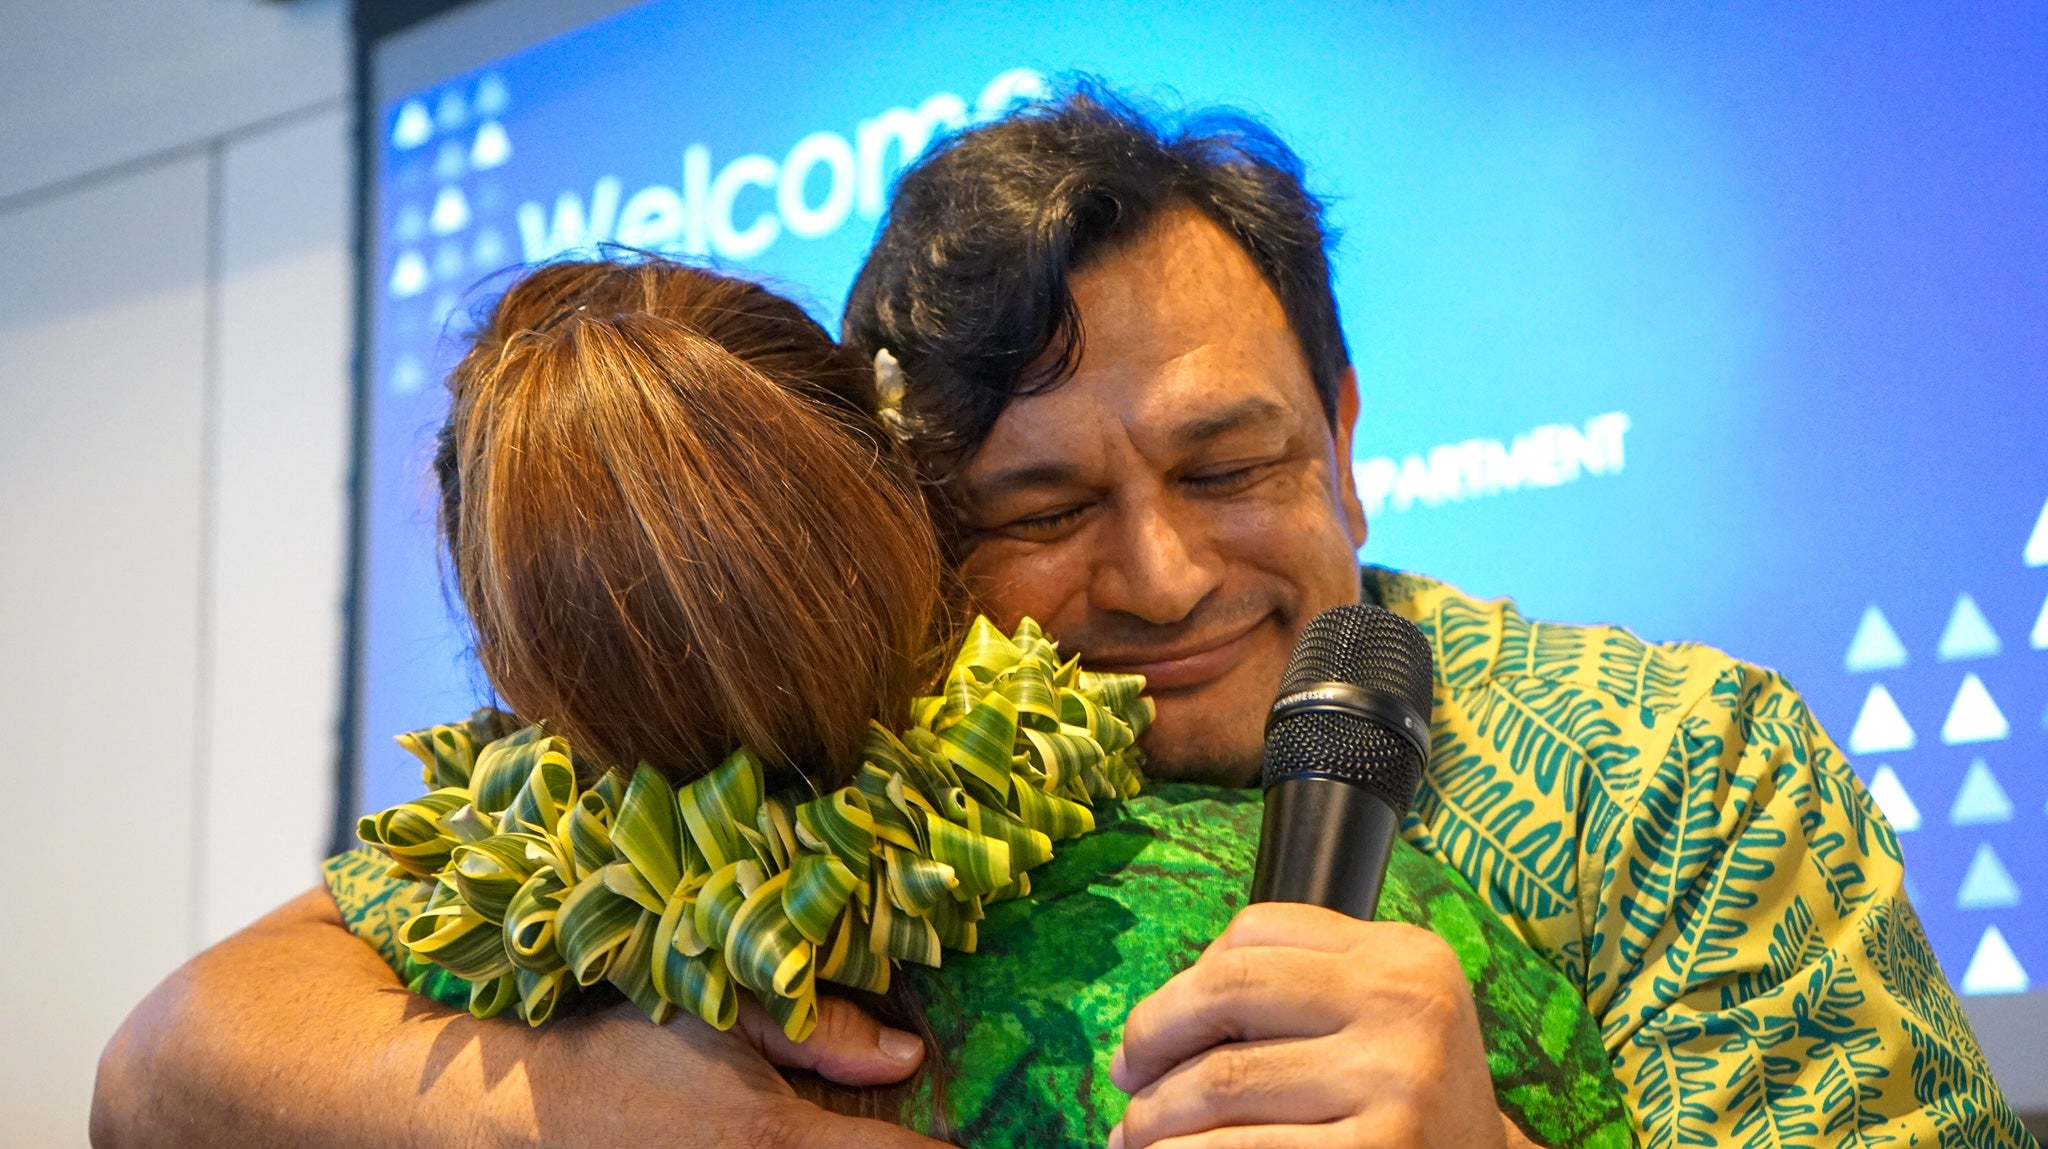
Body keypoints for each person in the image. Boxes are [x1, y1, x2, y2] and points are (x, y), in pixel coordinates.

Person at [91, 87, 2029, 1149]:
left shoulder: (1667, 758)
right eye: (1037, 509)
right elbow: (177, 1056)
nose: (1162, 577)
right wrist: (600, 1105)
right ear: (916, 526)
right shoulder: (827, 728)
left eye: (1228, 467)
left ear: (1343, 432)